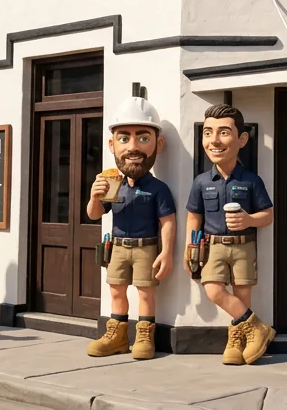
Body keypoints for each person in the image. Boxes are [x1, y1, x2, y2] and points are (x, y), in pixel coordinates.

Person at [85, 96, 176, 359]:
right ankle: (117, 335)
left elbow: (168, 221)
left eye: (143, 139)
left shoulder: (158, 188)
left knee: (146, 293)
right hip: (117, 248)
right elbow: (94, 214)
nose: (133, 147)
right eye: (124, 139)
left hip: (146, 247)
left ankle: (145, 334)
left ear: (158, 144)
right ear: (112, 145)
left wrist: (166, 252)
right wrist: (94, 196)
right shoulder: (112, 183)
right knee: (116, 290)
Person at [185, 104, 275, 365]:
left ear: (242, 139)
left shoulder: (251, 180)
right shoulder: (201, 181)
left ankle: (238, 341)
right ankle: (257, 327)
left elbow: (268, 215)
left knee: (242, 295)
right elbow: (194, 216)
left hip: (243, 245)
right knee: (213, 290)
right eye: (208, 133)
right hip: (212, 246)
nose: (214, 140)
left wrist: (248, 219)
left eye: (224, 132)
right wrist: (190, 247)